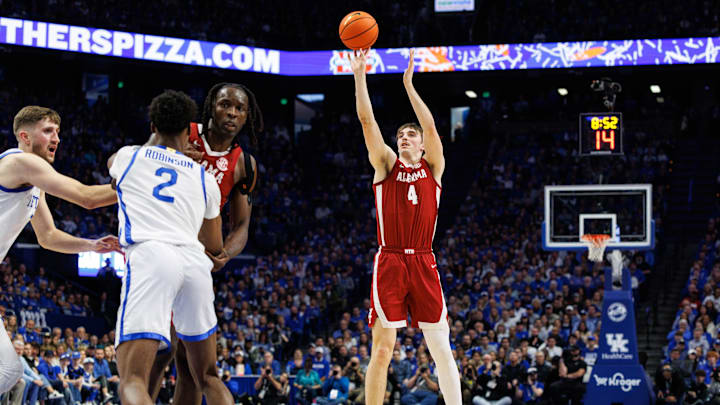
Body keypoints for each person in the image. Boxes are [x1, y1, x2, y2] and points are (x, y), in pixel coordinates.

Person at [351, 47, 461, 405]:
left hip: (424, 262)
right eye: (400, 135)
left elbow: (429, 126)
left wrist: (408, 85)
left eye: (409, 135)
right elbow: (368, 123)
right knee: (382, 351)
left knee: (442, 347)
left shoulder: (435, 167)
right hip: (392, 260)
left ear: (422, 144)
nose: (404, 137)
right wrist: (360, 75)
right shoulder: (385, 164)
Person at [108, 90, 231, 405]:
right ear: (189, 131)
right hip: (193, 263)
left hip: (152, 256)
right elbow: (214, 245)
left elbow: (114, 169)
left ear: (152, 126)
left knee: (132, 380)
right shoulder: (205, 179)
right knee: (209, 377)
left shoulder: (128, 157)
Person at [147, 82, 261, 405]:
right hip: (162, 247)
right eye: (226, 104)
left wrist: (226, 251)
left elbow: (241, 225)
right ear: (212, 105)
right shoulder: (182, 131)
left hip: (196, 261)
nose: (232, 113)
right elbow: (144, 157)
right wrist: (170, 153)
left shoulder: (244, 164)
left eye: (239, 109)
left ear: (246, 116)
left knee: (188, 364)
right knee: (161, 351)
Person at [0, 106, 119, 395]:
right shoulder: (22, 162)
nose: (57, 138)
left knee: (10, 372)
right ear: (25, 136)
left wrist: (91, 245)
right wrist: (138, 182)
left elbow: (49, 236)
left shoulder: (31, 180)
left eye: (58, 132)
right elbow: (86, 197)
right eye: (48, 131)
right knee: (7, 371)